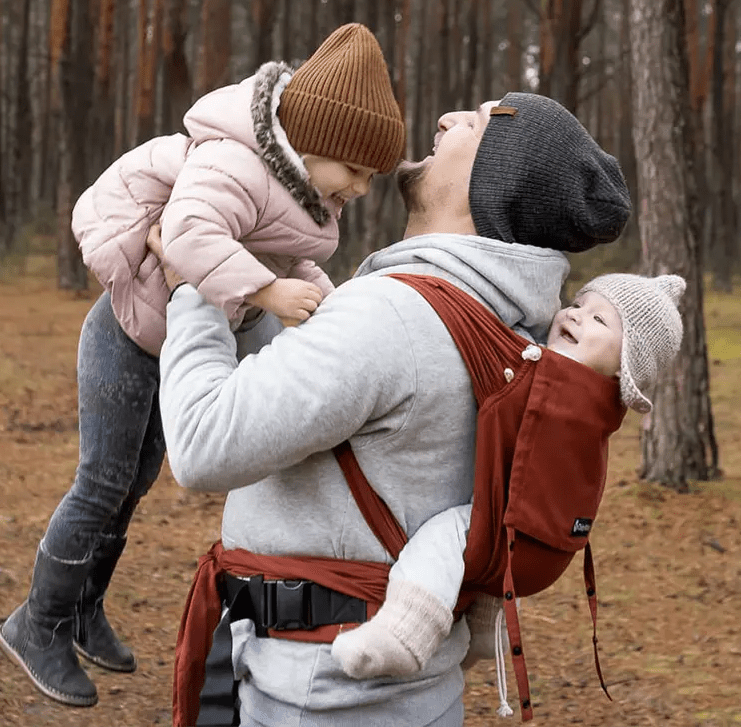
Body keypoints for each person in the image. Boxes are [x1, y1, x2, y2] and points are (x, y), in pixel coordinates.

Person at [155, 90, 633, 727]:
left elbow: (201, 441)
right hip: (401, 696)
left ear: (495, 184)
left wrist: (194, 285)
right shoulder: (513, 326)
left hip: (314, 694)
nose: (444, 116)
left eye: (477, 121)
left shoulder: (392, 318)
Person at [0, 23, 405, 708]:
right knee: (101, 481)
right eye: (356, 170)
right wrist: (270, 294)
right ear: (315, 145)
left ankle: (83, 609)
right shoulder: (235, 163)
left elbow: (282, 250)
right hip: (127, 336)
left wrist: (335, 308)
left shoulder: (292, 188)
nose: (362, 188)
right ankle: (36, 622)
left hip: (166, 342)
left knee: (135, 481)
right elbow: (189, 232)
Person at [329, 272, 686, 681]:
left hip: (519, 542)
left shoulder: (565, 384)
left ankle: (405, 636)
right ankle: (483, 627)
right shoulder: (602, 409)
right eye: (577, 304)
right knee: (485, 529)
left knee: (445, 534)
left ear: (626, 365)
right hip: (548, 548)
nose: (574, 316)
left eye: (599, 320)